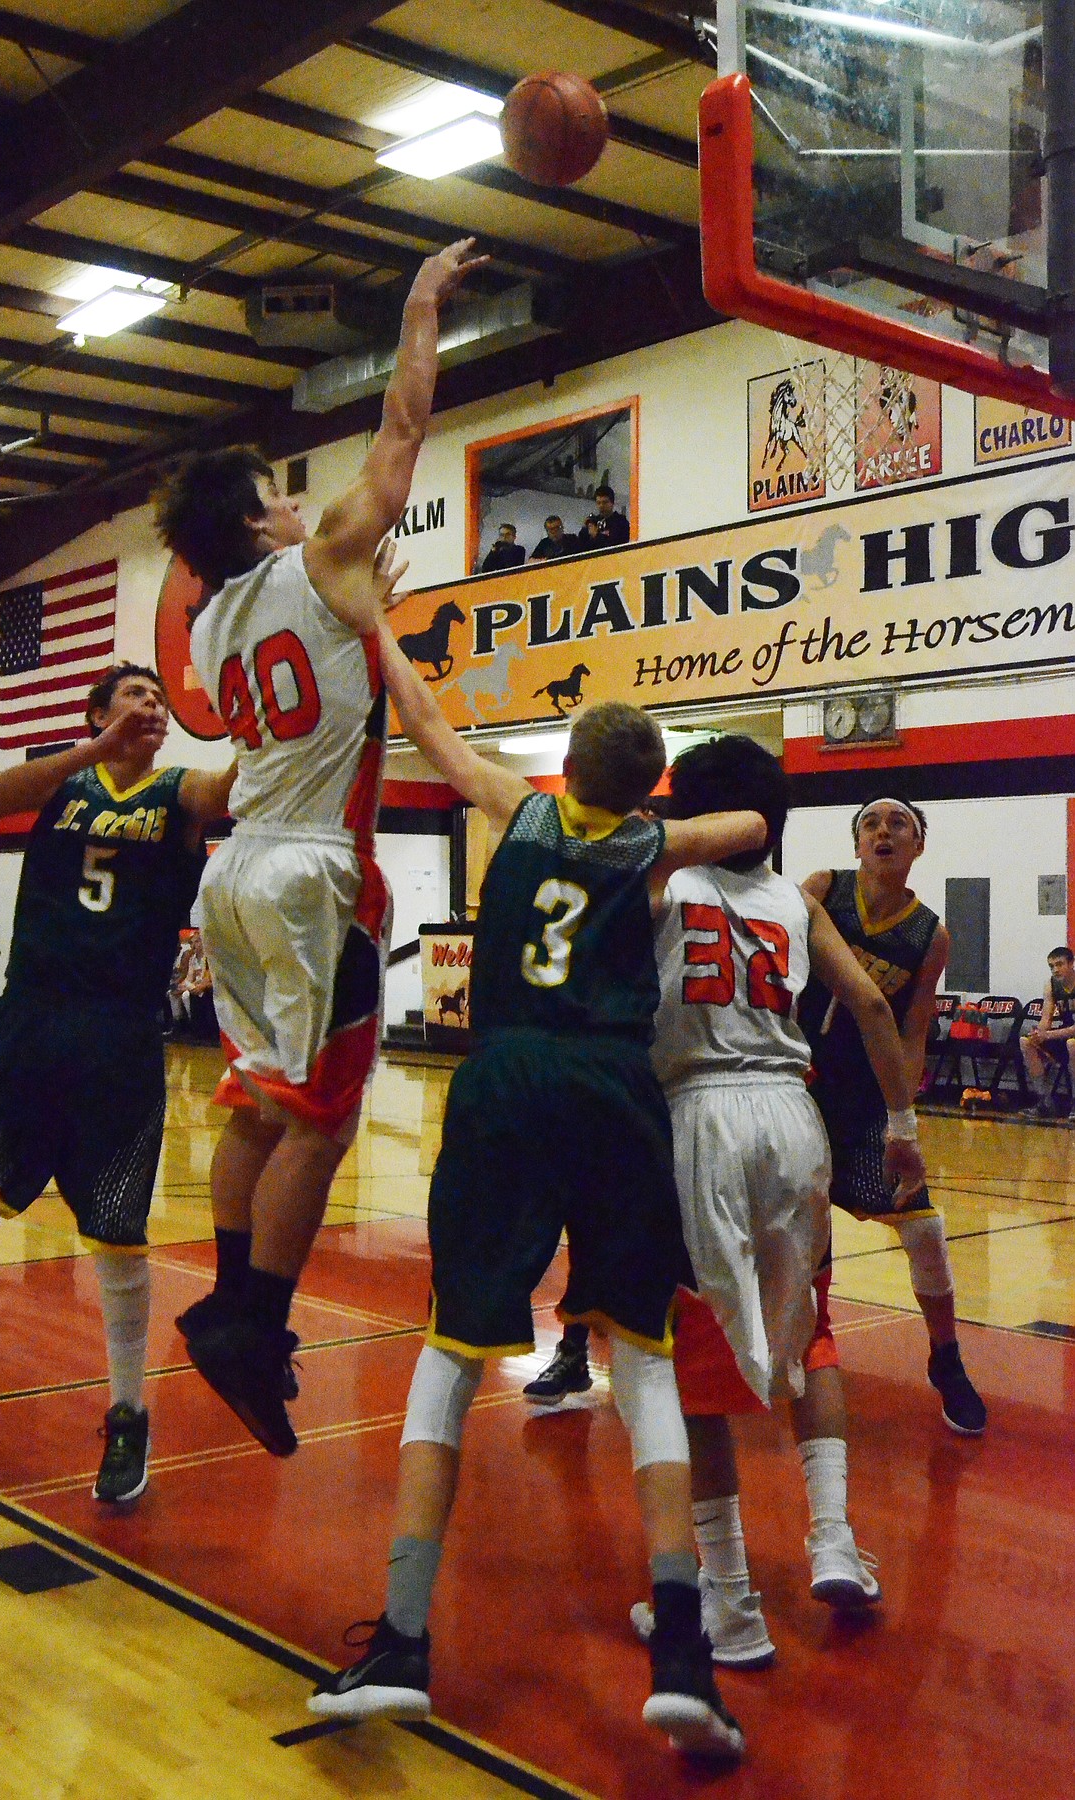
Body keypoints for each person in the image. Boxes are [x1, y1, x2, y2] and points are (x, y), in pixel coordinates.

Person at [308, 631, 768, 1756]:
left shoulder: (512, 806)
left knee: (452, 1351)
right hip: (616, 1090)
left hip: (506, 1077)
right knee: (646, 1359)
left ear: (566, 762)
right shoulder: (658, 842)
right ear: (646, 784)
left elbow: (424, 723)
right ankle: (683, 1665)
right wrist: (688, 811)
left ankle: (404, 1642)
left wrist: (377, 633)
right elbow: (748, 827)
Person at [153, 238, 487, 1459]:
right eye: (281, 493)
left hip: (234, 867)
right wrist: (418, 307)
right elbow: (403, 424)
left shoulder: (212, 628)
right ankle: (257, 1322)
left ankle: (234, 1295)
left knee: (252, 1100)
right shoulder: (319, 558)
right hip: (307, 873)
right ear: (258, 516)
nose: (302, 501)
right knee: (322, 1120)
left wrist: (366, 609)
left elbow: (328, 644)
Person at [627, 738, 926, 1667]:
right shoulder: (796, 901)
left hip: (700, 1118)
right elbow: (874, 1011)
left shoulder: (661, 884)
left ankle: (728, 1601)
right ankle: (832, 1536)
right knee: (814, 1335)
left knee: (701, 1366)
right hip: (794, 1122)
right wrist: (903, 1125)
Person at [0, 665, 234, 1503]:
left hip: (118, 1034)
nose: (153, 708)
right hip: (26, 1021)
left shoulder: (181, 792)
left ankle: (128, 1414)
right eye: (137, 696)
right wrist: (92, 748)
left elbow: (236, 782)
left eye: (160, 700)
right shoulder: (63, 779)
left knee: (118, 1232)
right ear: (98, 713)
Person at [799, 797, 987, 1436]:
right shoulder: (823, 890)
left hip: (865, 1098)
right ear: (856, 843)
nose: (883, 831)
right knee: (804, 1226)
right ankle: (808, 1342)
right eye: (871, 823)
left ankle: (947, 1359)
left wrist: (902, 1120)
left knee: (924, 1227)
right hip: (794, 1085)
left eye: (897, 824)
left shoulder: (929, 935)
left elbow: (911, 1031)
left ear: (918, 847)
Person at [1020, 945, 1075, 1119]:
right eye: (1051, 966)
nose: (1055, 969)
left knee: (1072, 1044)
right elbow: (1046, 1018)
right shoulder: (1051, 985)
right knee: (1026, 1042)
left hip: (1071, 1037)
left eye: (1059, 964)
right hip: (1064, 1034)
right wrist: (1038, 1033)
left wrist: (1048, 1035)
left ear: (1071, 963)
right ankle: (1045, 1101)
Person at [578, 484, 631, 550]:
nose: (601, 506)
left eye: (605, 502)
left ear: (612, 503)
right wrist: (585, 529)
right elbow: (581, 545)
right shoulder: (593, 522)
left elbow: (617, 545)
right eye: (598, 503)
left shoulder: (620, 522)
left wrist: (597, 535)